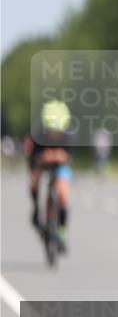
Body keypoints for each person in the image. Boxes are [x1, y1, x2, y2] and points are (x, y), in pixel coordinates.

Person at [26, 100, 75, 251]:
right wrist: (43, 159)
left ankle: (61, 230)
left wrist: (61, 157)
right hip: (40, 162)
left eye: (58, 131)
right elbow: (32, 159)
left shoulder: (69, 135)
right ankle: (35, 210)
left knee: (63, 192)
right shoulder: (37, 134)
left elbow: (70, 158)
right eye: (52, 131)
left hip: (60, 165)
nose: (55, 135)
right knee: (35, 181)